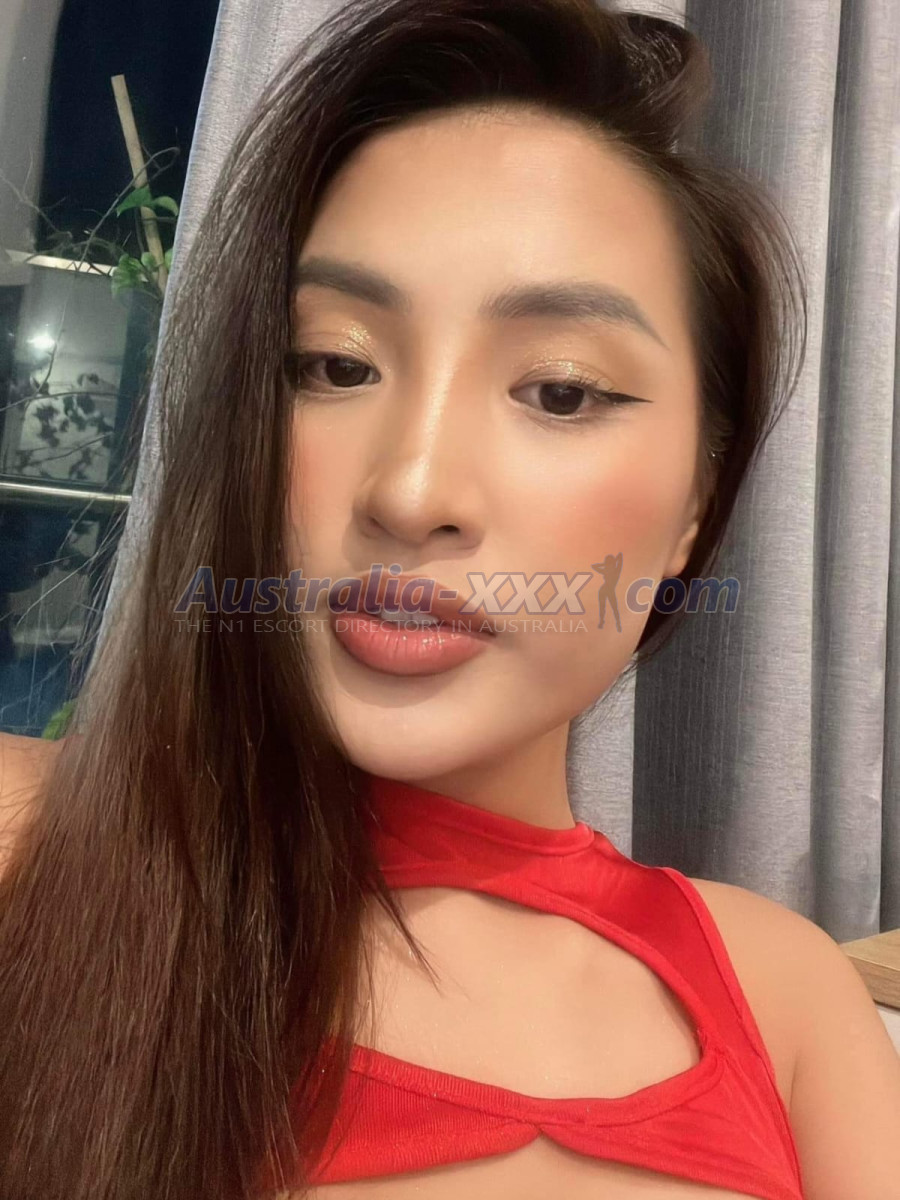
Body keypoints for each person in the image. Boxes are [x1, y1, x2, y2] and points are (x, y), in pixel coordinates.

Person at [1, 1, 899, 1197]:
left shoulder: (786, 997)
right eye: (336, 365)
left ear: (698, 505)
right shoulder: (37, 854)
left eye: (561, 392)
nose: (412, 489)